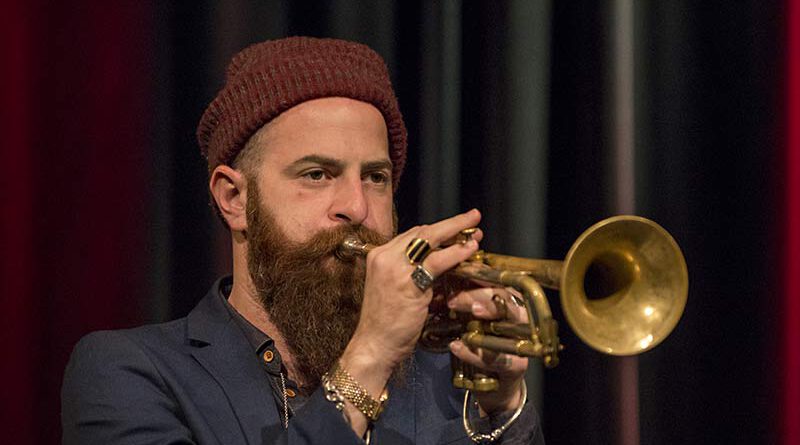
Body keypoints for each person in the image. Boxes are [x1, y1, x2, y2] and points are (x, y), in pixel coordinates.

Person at [62, 36, 545, 444]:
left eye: (375, 177)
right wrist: (369, 356)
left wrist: (504, 409)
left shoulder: (448, 377)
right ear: (233, 198)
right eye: (317, 174)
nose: (355, 207)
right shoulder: (129, 373)